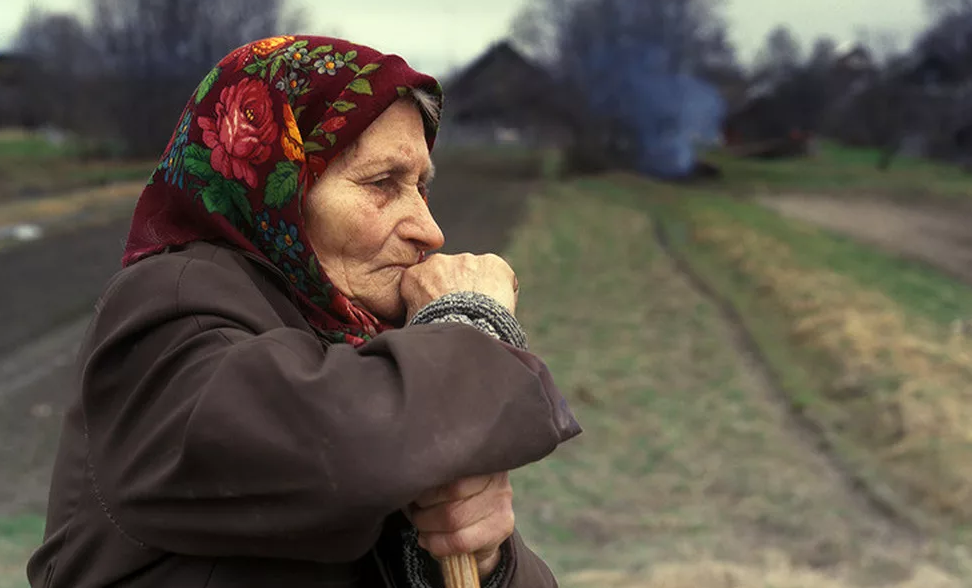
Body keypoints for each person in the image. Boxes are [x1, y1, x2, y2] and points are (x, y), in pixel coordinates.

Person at [26, 35, 581, 588]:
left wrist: (488, 561)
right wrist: (470, 326)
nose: (430, 231)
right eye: (383, 183)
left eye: (421, 188)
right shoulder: (169, 306)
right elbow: (340, 456)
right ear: (279, 181)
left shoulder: (358, 348)